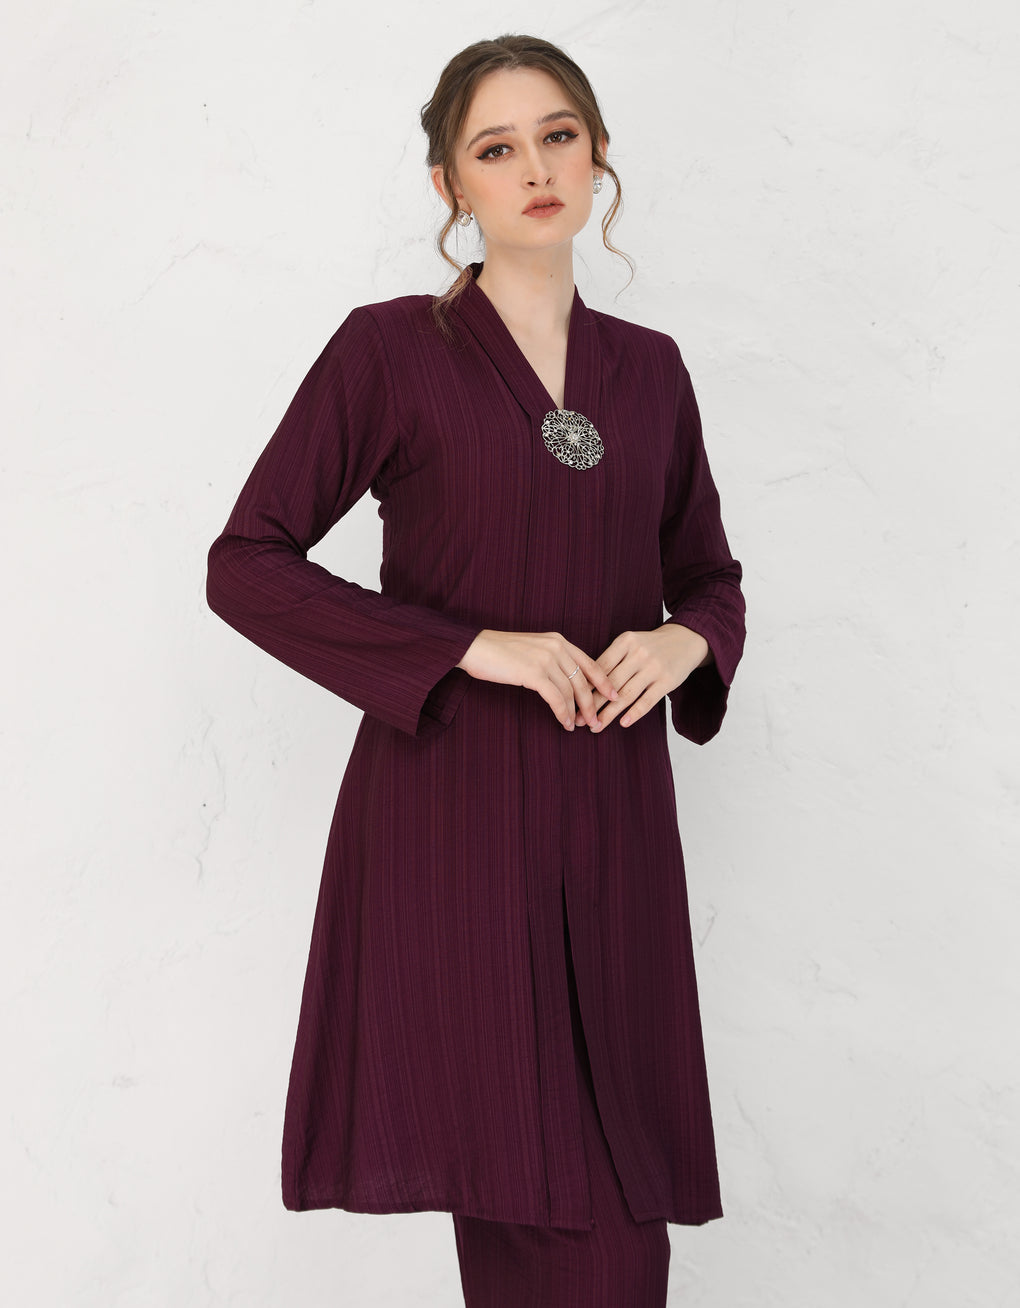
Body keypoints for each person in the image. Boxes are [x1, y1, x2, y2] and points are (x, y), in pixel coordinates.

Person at [206, 32, 745, 1308]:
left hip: (613, 833)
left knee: (608, 1216)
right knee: (540, 1207)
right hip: (456, 828)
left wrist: (684, 640)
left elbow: (709, 579)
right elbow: (247, 564)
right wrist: (467, 646)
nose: (536, 169)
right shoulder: (390, 352)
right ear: (452, 184)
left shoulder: (650, 371)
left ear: (598, 154)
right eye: (497, 149)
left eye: (558, 136)